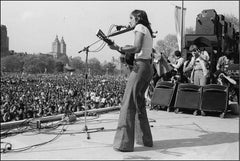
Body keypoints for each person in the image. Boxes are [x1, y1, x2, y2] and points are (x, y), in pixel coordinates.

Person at [108, 9, 154, 152]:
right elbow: (137, 48)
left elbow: (136, 47)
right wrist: (119, 48)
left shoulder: (139, 27)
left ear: (137, 18)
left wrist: (118, 47)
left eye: (131, 18)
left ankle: (124, 144)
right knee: (139, 103)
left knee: (128, 103)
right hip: (147, 67)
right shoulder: (147, 29)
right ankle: (144, 139)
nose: (129, 22)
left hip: (140, 67)